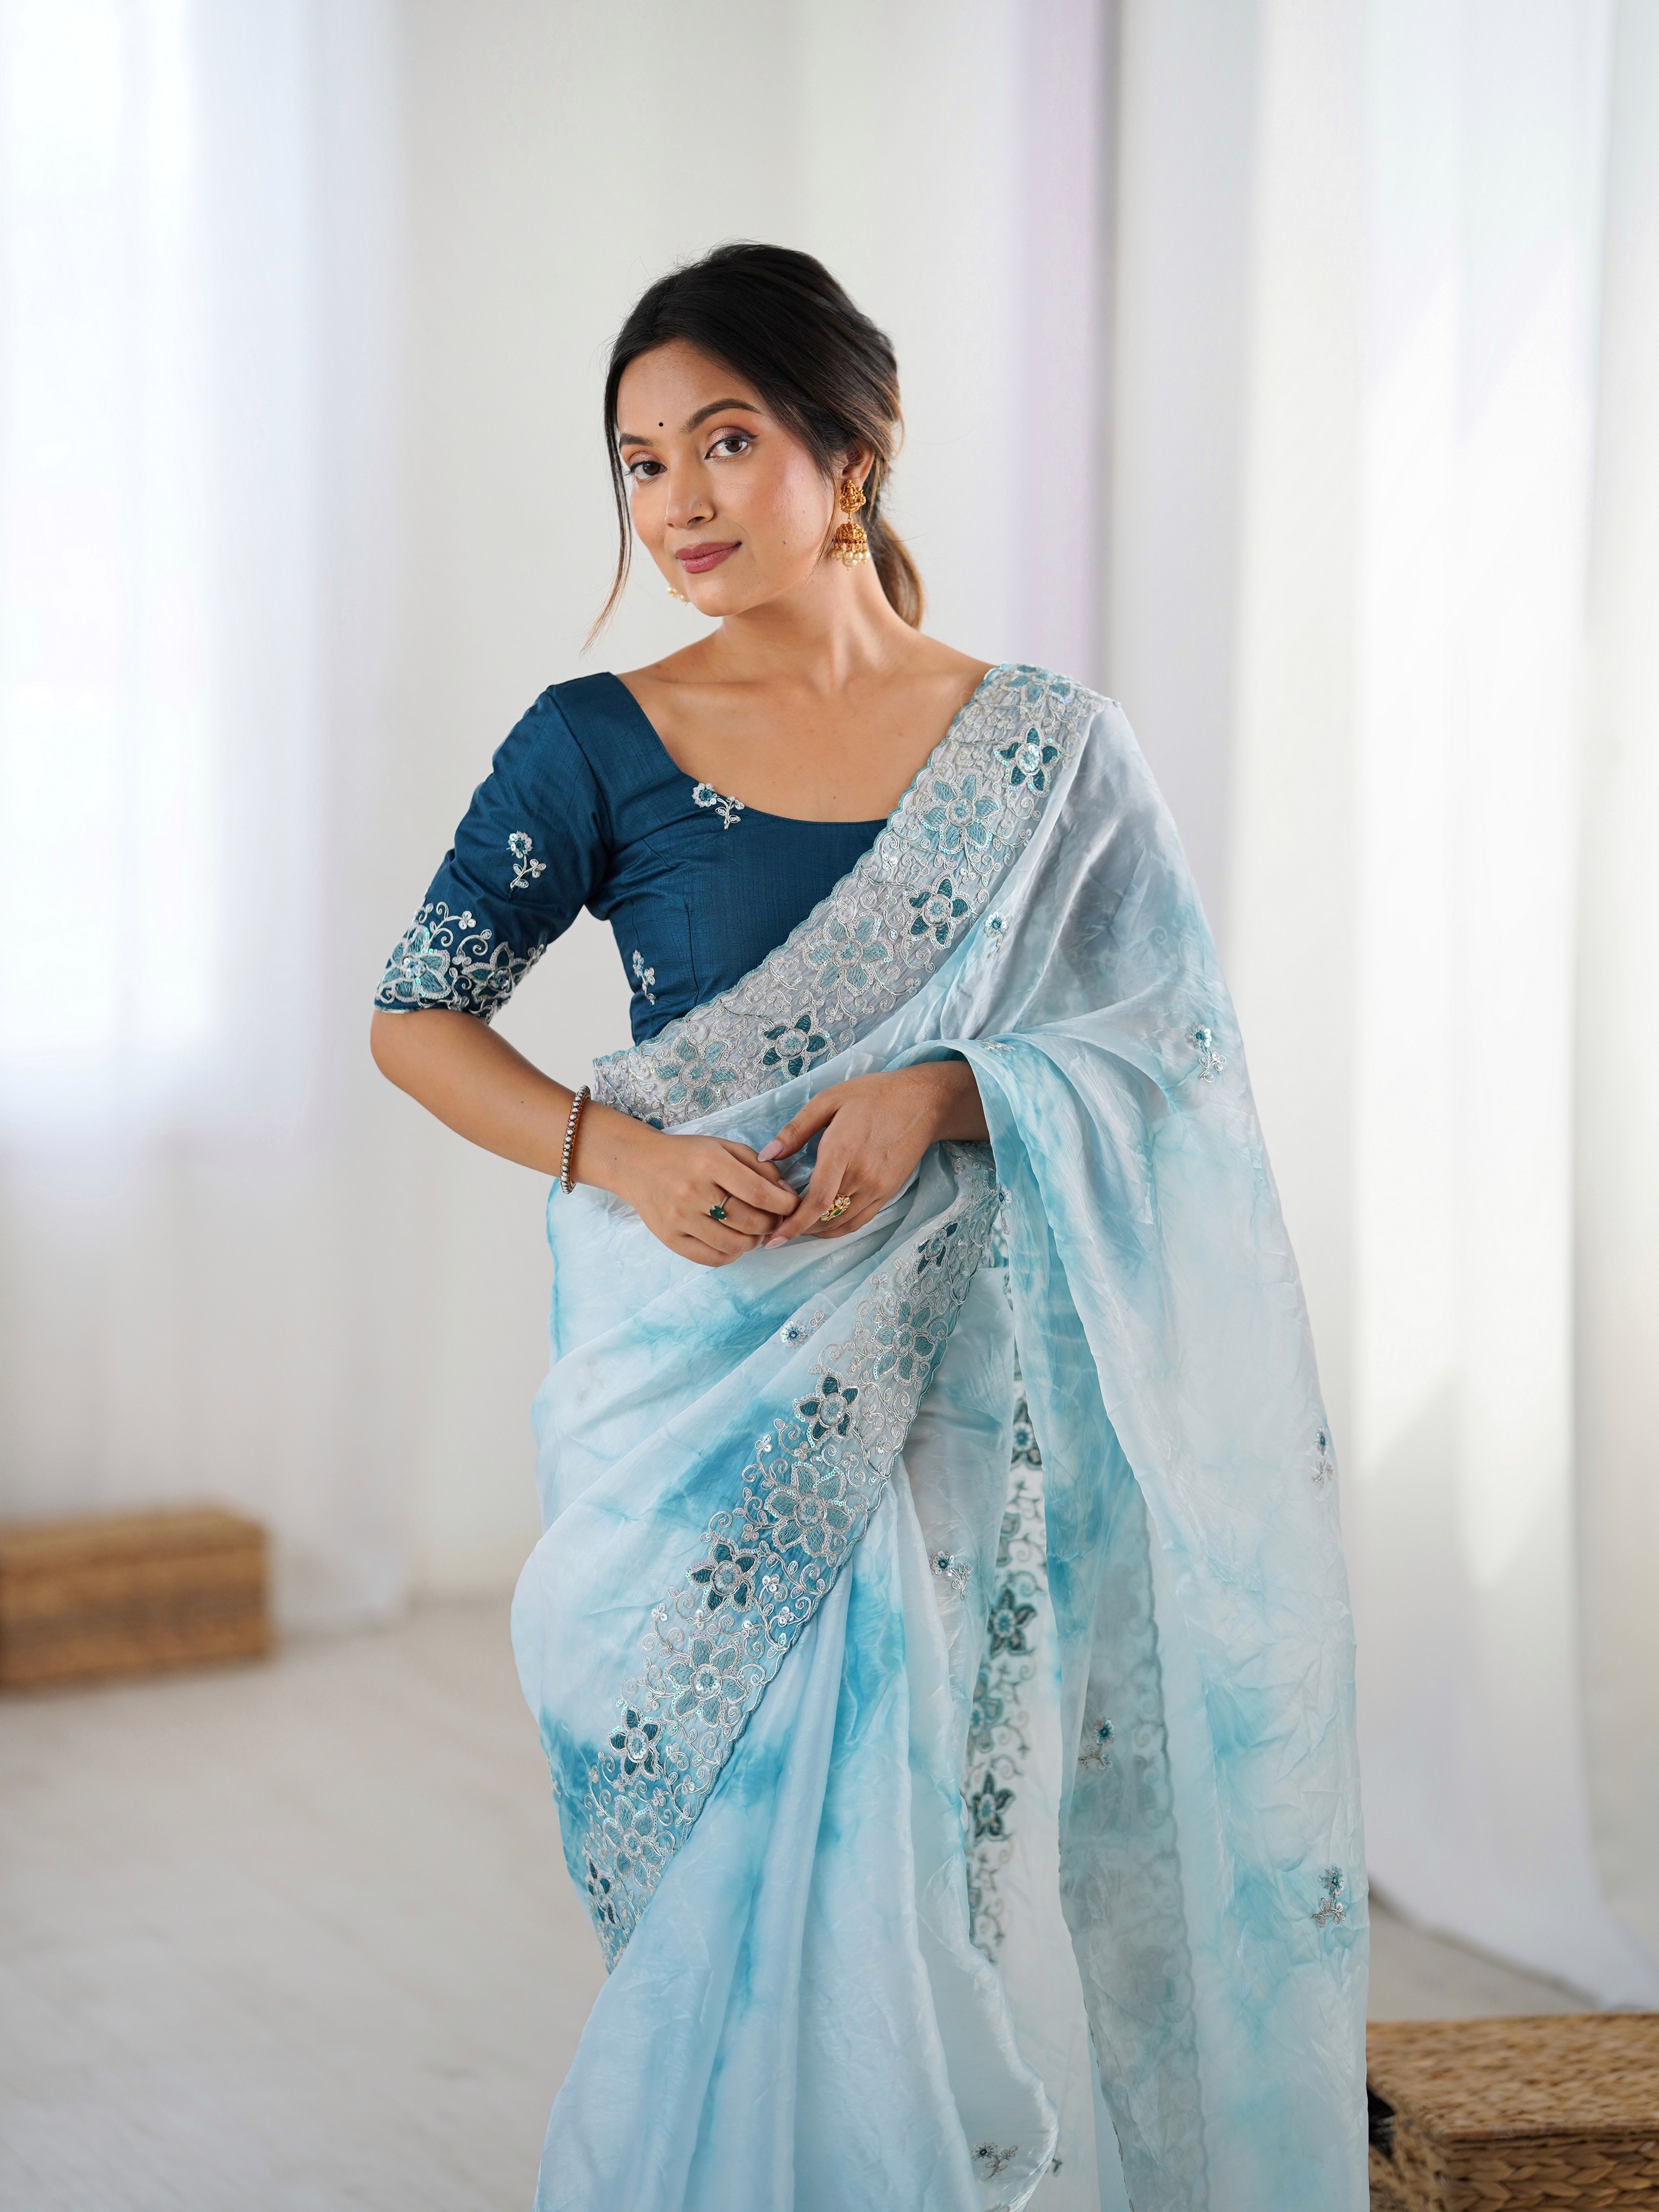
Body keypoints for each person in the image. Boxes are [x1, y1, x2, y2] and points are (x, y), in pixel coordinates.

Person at [370, 243, 1367, 2212]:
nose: (680, 503)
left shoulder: (1050, 752)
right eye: (642, 462)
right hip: (696, 1386)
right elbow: (417, 1018)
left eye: (727, 442)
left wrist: (955, 1089)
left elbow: (1170, 1060)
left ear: (856, 447)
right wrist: (621, 1158)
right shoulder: (595, 738)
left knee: (913, 1872)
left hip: (953, 1413)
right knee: (738, 1877)